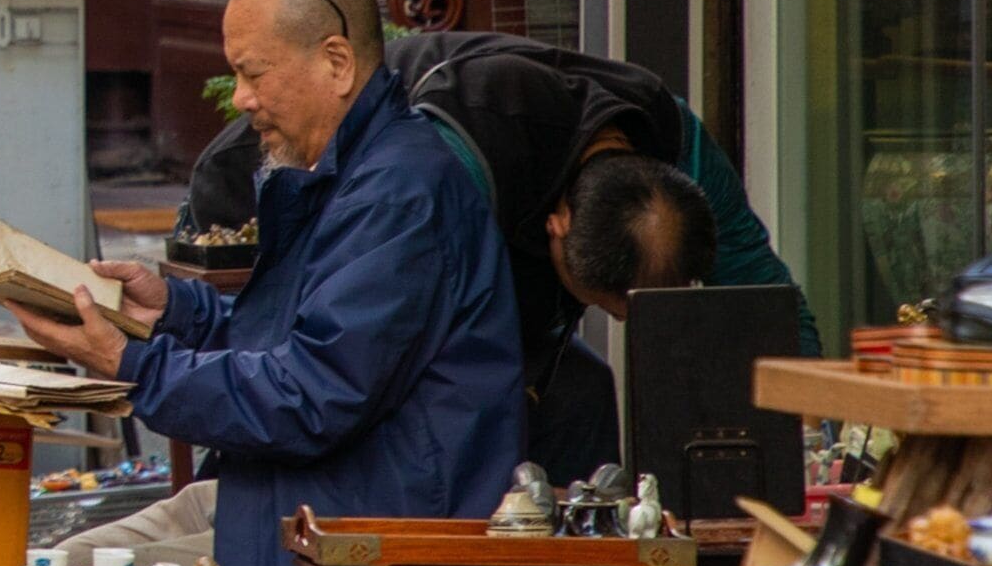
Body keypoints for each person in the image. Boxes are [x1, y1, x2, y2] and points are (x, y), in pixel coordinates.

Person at [11, 0, 525, 566]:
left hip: (365, 527)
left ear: (337, 63)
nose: (243, 100)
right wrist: (174, 314)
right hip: (304, 491)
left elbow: (310, 396)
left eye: (253, 75)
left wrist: (132, 365)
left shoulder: (397, 194)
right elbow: (297, 346)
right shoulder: (353, 170)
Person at [183, 27, 815, 477]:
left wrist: (812, 430)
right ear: (557, 226)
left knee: (580, 390)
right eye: (608, 305)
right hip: (271, 190)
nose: (625, 321)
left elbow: (771, 307)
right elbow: (365, 359)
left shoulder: (683, 150)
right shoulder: (439, 180)